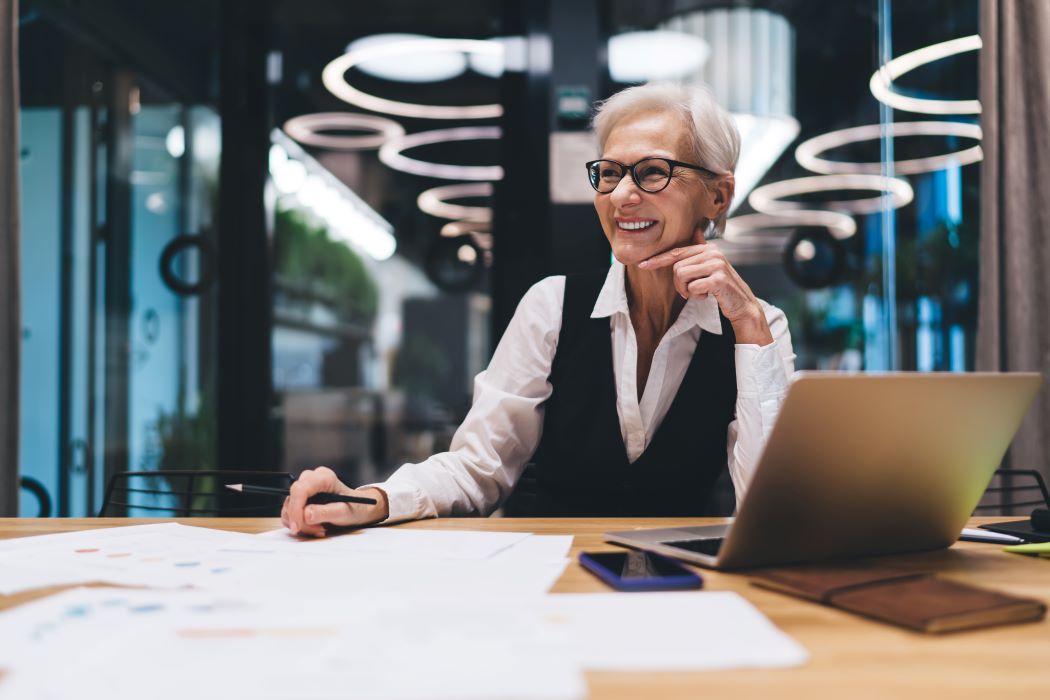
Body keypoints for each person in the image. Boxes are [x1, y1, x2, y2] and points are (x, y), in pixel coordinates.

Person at [283, 82, 795, 537]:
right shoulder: (552, 306)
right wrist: (371, 500)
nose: (622, 195)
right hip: (549, 585)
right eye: (610, 172)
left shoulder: (759, 328)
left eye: (653, 172)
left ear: (718, 196)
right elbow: (478, 469)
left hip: (683, 589)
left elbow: (772, 511)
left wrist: (747, 324)